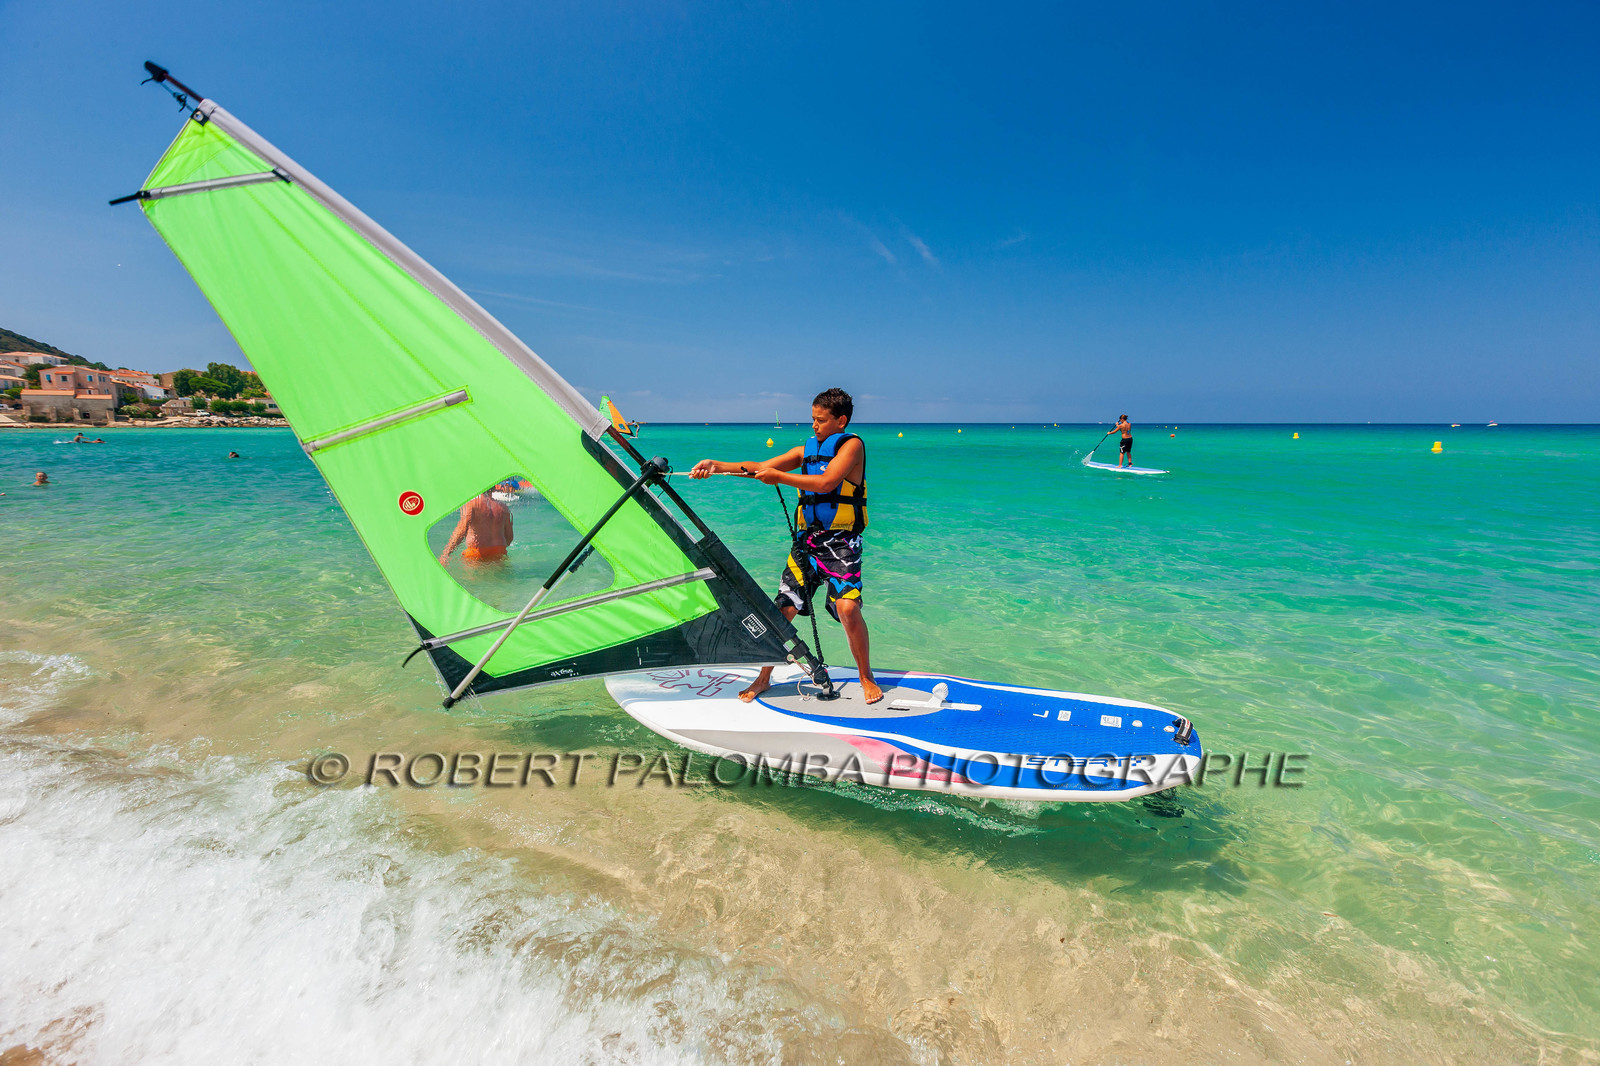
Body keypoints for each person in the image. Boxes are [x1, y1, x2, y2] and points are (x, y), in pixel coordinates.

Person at [691, 387, 880, 704]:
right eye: (812, 420)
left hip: (841, 543)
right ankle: (763, 677)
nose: (814, 426)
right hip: (807, 544)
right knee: (782, 610)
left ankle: (866, 676)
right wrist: (717, 465)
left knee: (848, 608)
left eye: (820, 421)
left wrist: (779, 477)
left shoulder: (852, 447)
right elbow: (760, 466)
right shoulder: (805, 450)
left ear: (841, 420)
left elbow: (826, 483)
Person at [438, 490, 513, 565]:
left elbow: (461, 530)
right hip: (499, 552)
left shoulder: (472, 504)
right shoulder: (504, 508)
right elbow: (509, 538)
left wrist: (445, 554)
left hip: (476, 554)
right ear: (493, 489)